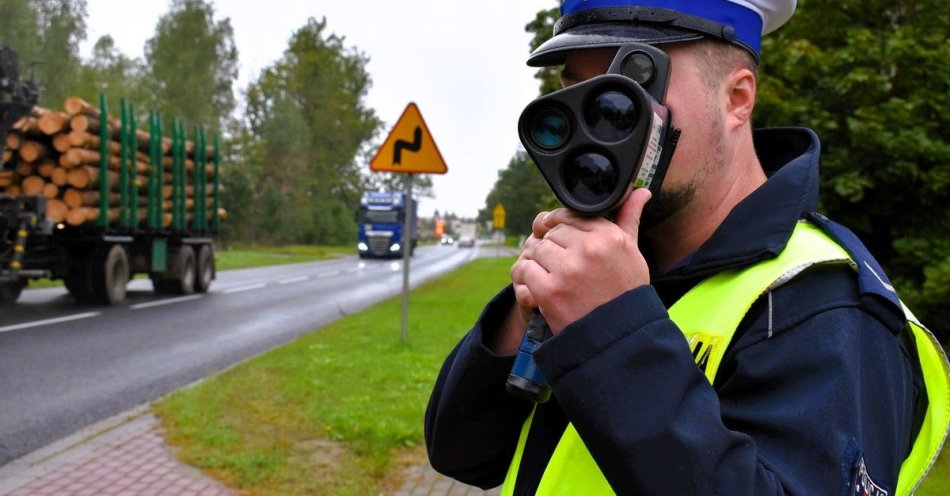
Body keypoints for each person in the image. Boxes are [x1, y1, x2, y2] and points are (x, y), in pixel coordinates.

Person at [424, 1, 950, 495]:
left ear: (736, 98)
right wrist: (521, 318)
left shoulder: (824, 307)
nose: (597, 125)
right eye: (576, 90)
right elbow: (462, 456)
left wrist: (611, 334)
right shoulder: (610, 259)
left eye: (625, 91)